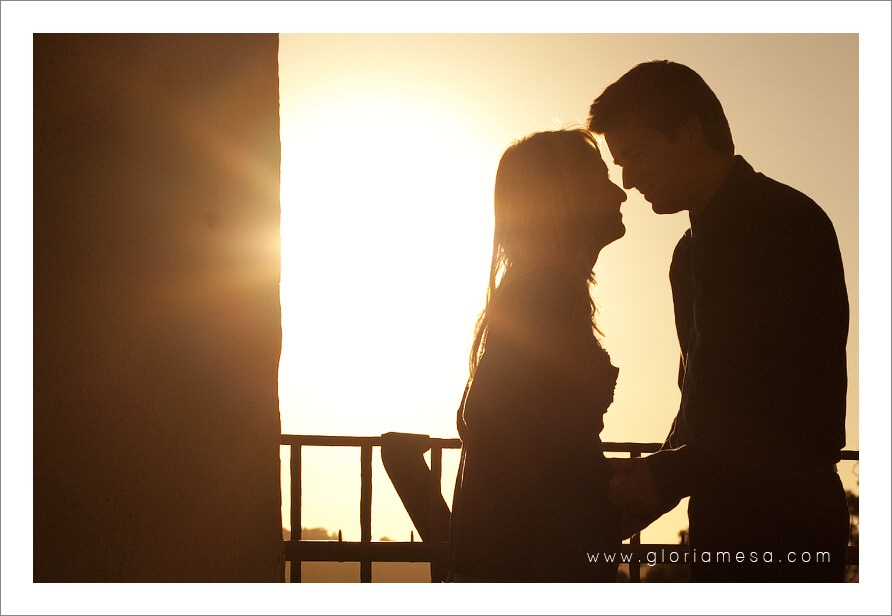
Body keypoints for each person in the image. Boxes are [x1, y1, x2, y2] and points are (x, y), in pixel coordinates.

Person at [588, 60, 850, 582]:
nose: (628, 179)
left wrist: (664, 475)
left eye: (635, 155)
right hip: (721, 517)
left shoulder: (787, 224)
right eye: (620, 163)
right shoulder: (687, 255)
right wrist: (659, 478)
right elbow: (702, 397)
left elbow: (789, 403)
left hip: (788, 524)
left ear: (690, 132)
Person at [447, 129, 627, 582]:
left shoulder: (537, 291)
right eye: (600, 180)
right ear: (563, 198)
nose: (619, 192)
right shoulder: (546, 295)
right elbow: (504, 429)